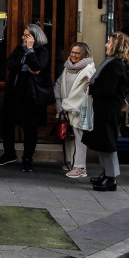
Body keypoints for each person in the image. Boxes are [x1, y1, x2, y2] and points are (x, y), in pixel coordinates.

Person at [0, 24, 51, 172]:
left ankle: (27, 159)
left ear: (34, 37)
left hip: (30, 97)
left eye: (26, 35)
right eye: (24, 35)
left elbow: (38, 66)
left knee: (29, 129)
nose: (23, 38)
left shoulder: (42, 51)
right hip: (13, 95)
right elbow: (10, 64)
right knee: (6, 123)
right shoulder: (19, 49)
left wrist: (31, 51)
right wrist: (25, 68)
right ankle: (9, 153)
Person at [83, 32, 129, 192]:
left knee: (108, 142)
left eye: (110, 43)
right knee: (103, 142)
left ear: (117, 45)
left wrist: (92, 88)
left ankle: (111, 177)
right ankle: (106, 174)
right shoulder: (112, 63)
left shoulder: (115, 65)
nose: (106, 45)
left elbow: (107, 89)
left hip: (108, 108)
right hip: (104, 107)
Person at [54, 42, 96, 178]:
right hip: (67, 108)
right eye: (72, 52)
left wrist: (66, 105)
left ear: (84, 55)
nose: (73, 55)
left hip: (79, 110)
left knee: (80, 138)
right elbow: (59, 84)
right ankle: (71, 161)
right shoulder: (67, 67)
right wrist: (60, 103)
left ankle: (80, 167)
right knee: (70, 137)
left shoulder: (88, 70)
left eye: (77, 53)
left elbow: (85, 92)